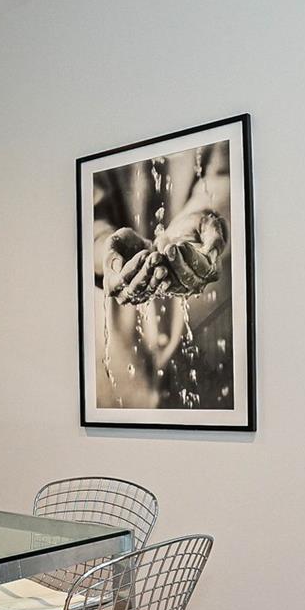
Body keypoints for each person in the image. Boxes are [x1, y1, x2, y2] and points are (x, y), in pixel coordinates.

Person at [90, 142, 233, 409]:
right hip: (113, 367)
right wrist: (102, 249)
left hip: (214, 344)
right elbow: (85, 210)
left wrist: (203, 218)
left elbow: (230, 176)